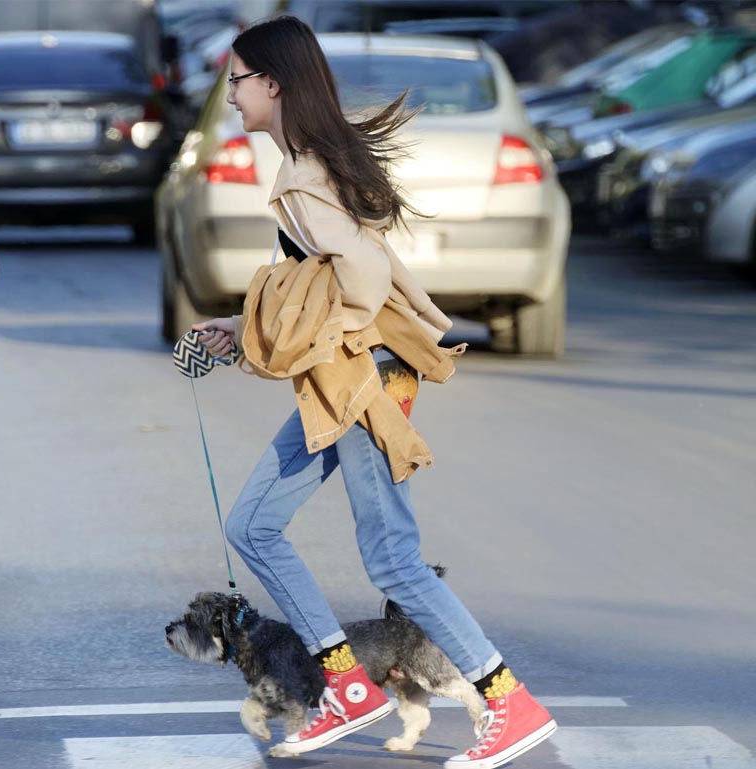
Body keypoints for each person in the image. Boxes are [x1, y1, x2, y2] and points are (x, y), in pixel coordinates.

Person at [192, 15, 556, 768]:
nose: (229, 97)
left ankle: (508, 701)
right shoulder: (308, 164)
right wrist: (243, 324)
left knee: (391, 558)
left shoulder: (303, 172)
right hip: (351, 368)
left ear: (272, 82)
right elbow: (319, 276)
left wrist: (334, 341)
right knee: (254, 525)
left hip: (363, 371)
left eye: (236, 81)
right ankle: (347, 684)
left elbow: (359, 278)